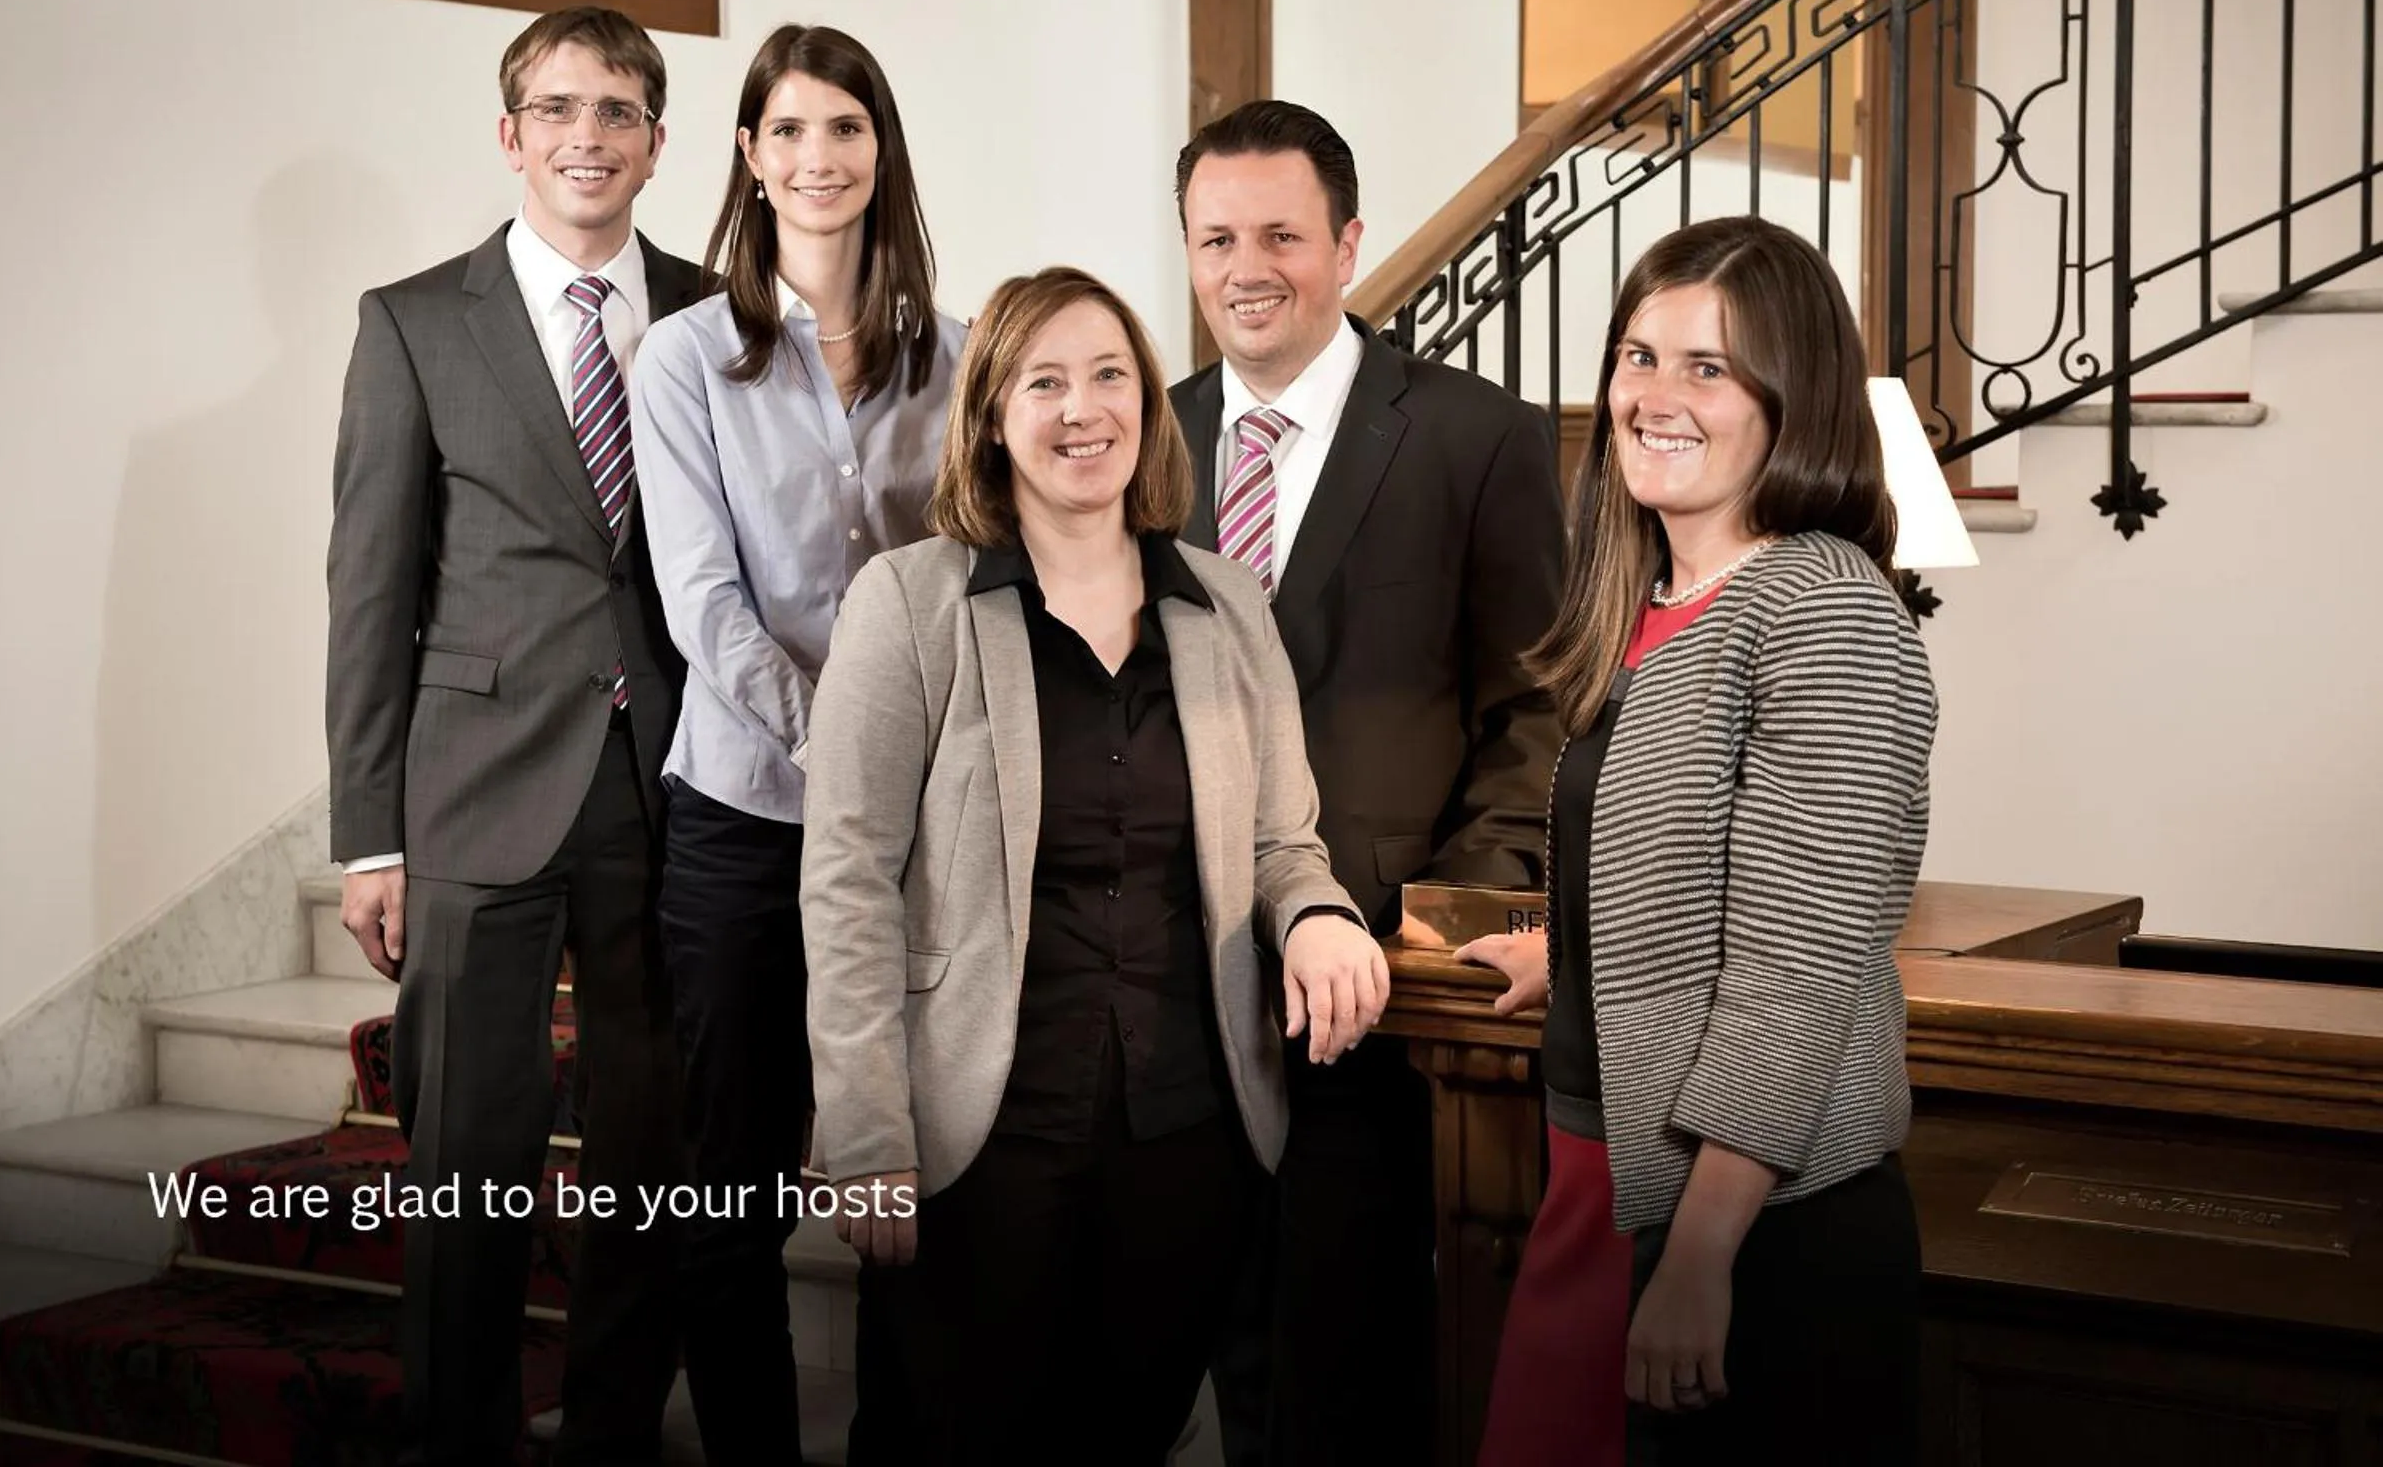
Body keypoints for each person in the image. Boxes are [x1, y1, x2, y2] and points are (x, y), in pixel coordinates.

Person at [798, 266, 1390, 1465]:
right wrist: (864, 1130)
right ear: (992, 414)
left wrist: (1318, 915)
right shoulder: (909, 602)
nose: (1084, 409)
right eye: (1045, 380)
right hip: (978, 1133)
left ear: (1148, 404)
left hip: (1184, 1130)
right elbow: (849, 877)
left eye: (1110, 374)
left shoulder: (1224, 607)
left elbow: (1283, 838)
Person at [1467, 214, 1936, 1466]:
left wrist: (1701, 1257)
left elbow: (1796, 968)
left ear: (1794, 398)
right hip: (1597, 1181)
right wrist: (1571, 959)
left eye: (1707, 368)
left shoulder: (1824, 606)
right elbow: (1677, 871)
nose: (1653, 397)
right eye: (1637, 356)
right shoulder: (1655, 605)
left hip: (1751, 1224)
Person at [325, 5, 697, 1465]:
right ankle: (459, 1435)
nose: (587, 136)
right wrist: (372, 833)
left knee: (651, 1157)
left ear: (657, 143)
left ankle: (613, 1429)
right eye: (558, 110)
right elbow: (369, 586)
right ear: (510, 136)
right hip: (476, 797)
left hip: (674, 784)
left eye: (617, 111)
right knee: (469, 1156)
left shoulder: (720, 313)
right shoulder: (414, 321)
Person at [1170, 99, 1566, 1465]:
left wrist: (1451, 915)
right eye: (1216, 237)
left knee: (1352, 1370)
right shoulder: (1146, 442)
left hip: (1375, 981)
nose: (1247, 266)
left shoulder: (1478, 438)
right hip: (1179, 982)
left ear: (1346, 244)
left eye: (1281, 233)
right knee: (1220, 1363)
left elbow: (1535, 711)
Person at [628, 22, 960, 1467]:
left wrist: (899, 777)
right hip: (744, 815)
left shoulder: (959, 356)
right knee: (730, 1181)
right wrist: (840, 759)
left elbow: (976, 573)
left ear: (879, 152)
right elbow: (702, 600)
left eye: (845, 128)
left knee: (914, 1164)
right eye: (788, 132)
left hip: (925, 830)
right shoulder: (684, 357)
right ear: (750, 159)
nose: (816, 158)